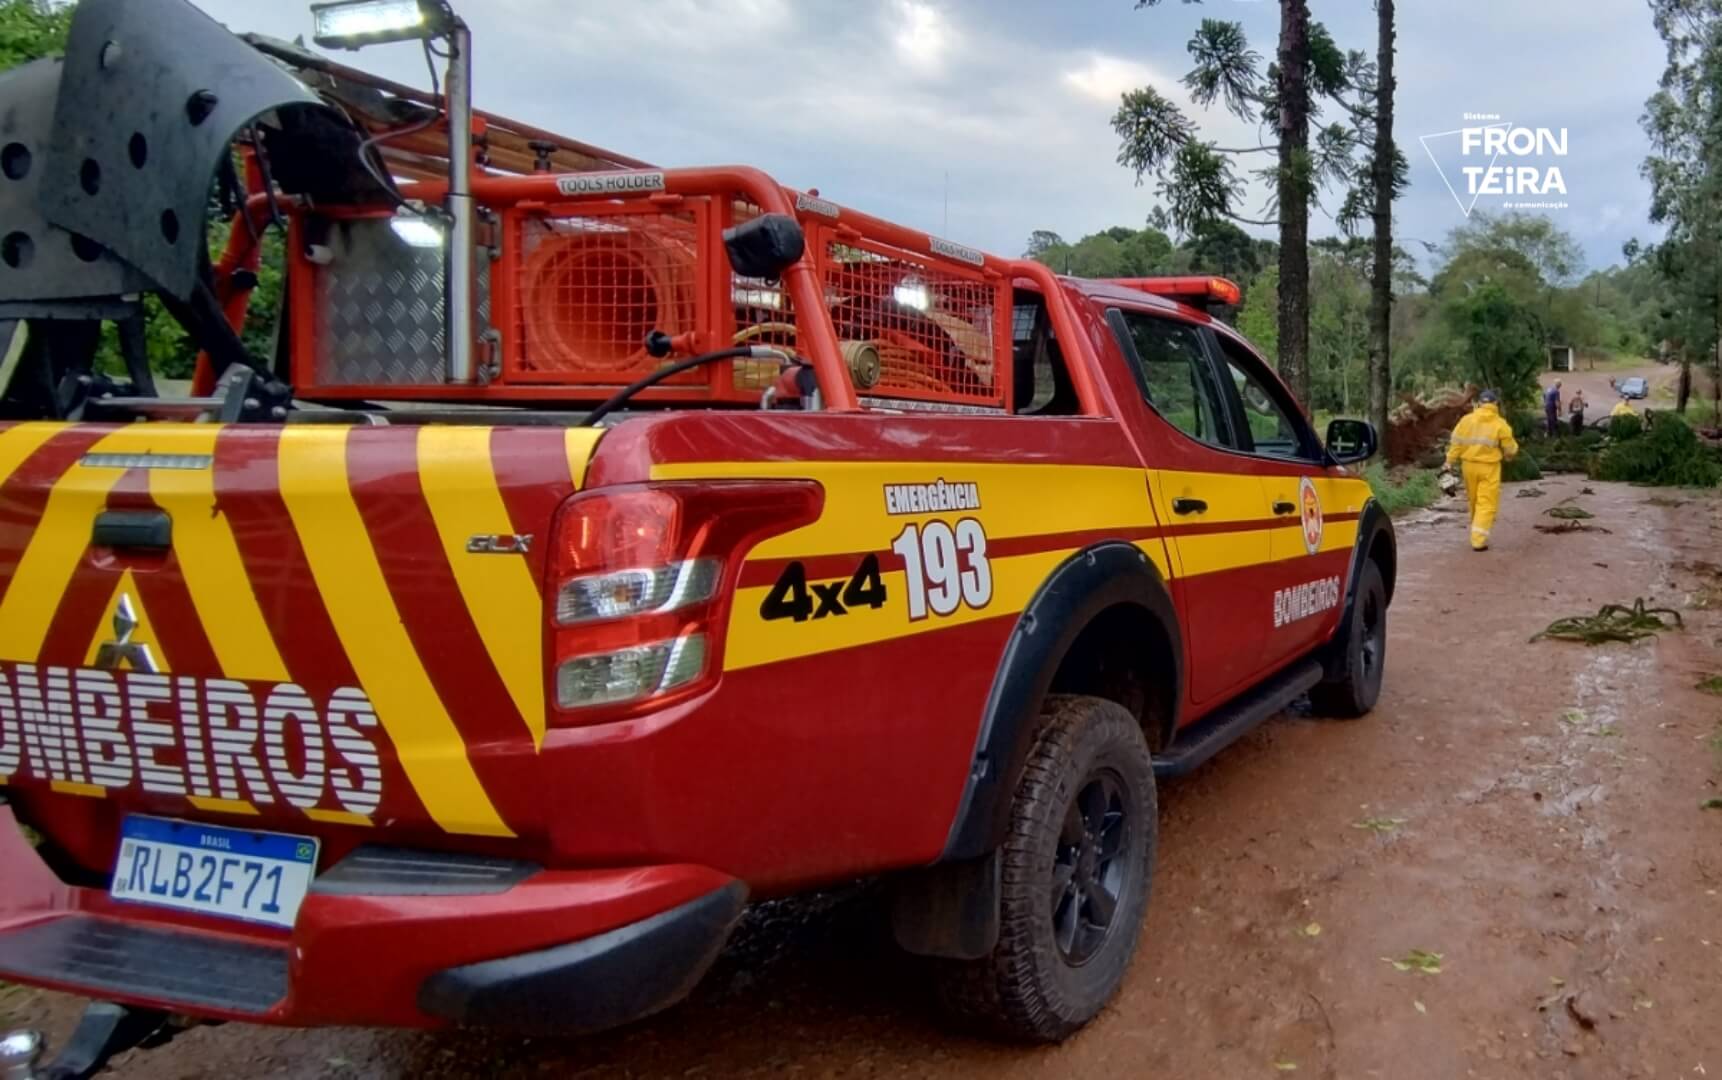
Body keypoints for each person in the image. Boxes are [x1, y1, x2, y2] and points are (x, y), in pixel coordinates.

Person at [1444, 389, 1520, 552]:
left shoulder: (1466, 420)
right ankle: (1478, 540)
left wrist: (1449, 462)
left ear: (1479, 403)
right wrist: (1510, 455)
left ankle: (1476, 531)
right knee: (1486, 503)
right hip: (1489, 468)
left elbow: (1456, 443)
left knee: (1474, 501)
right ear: (1495, 403)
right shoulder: (1500, 424)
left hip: (1468, 466)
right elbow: (1510, 448)